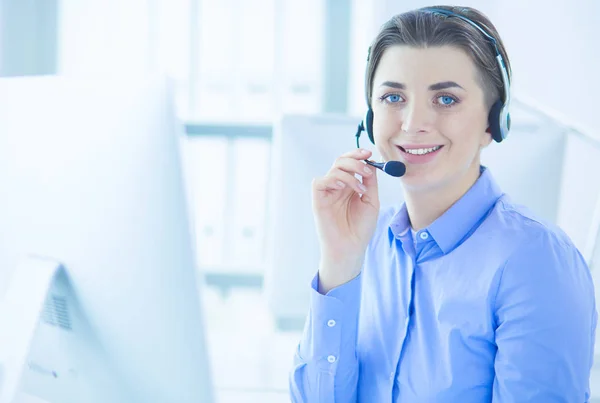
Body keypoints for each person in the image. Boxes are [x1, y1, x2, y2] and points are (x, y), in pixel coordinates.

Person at [289, 5, 598, 402]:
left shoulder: (536, 261)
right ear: (369, 117)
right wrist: (339, 262)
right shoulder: (365, 246)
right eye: (393, 96)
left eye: (446, 99)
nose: (413, 122)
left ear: (494, 122)